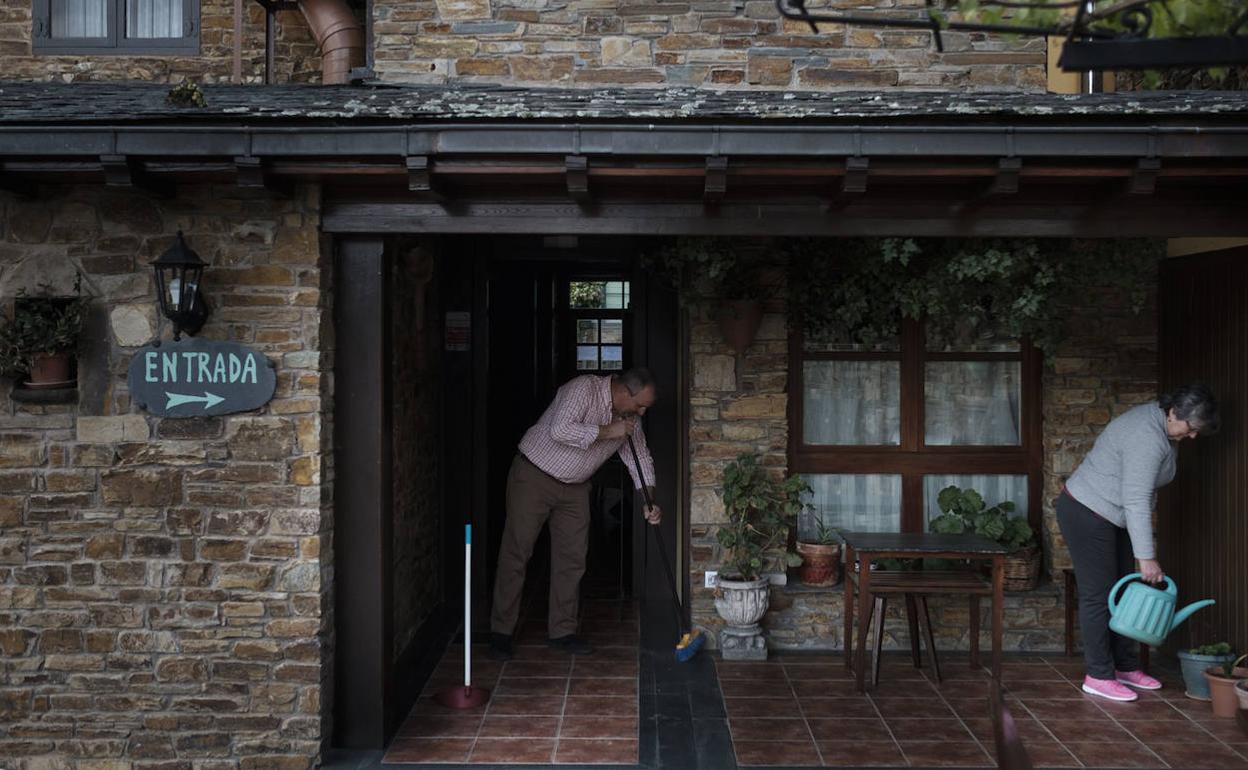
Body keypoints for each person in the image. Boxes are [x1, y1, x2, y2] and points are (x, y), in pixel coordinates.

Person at [1057, 383, 1219, 702]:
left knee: (1121, 591)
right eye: (1191, 428)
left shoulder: (1162, 426)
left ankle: (1124, 667)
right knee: (1098, 595)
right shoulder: (1146, 436)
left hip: (1110, 514)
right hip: (1087, 512)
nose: (1193, 436)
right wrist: (1146, 556)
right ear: (1174, 412)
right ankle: (1098, 675)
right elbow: (1136, 497)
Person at [488, 366, 662, 660]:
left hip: (576, 488)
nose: (642, 413)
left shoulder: (629, 418)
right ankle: (500, 632)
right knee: (517, 552)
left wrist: (649, 500)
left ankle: (562, 632)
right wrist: (609, 431)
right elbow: (560, 430)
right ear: (622, 392)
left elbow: (640, 459)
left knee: (572, 559)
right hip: (534, 476)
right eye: (640, 405)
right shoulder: (584, 389)